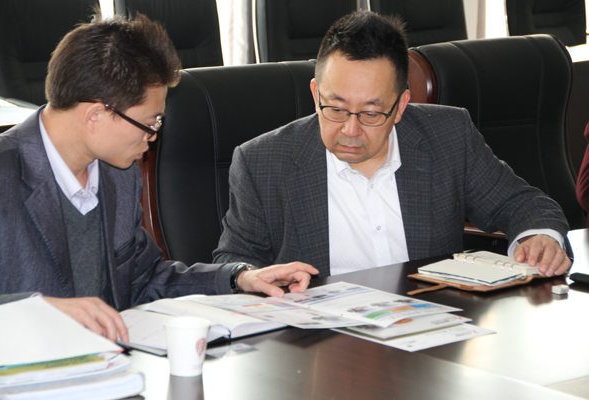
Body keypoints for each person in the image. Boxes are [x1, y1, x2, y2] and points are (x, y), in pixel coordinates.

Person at [0, 13, 318, 342]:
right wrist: (38, 310)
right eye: (150, 123)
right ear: (95, 114)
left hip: (113, 363)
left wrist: (239, 278)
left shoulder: (117, 173)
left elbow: (146, 278)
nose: (153, 137)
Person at [213, 11, 571, 279]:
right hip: (318, 343)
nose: (350, 129)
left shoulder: (447, 135)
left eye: (371, 113)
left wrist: (539, 237)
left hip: (430, 329)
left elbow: (521, 204)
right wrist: (247, 277)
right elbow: (233, 261)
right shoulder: (262, 161)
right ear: (315, 93)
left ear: (401, 106)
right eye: (335, 108)